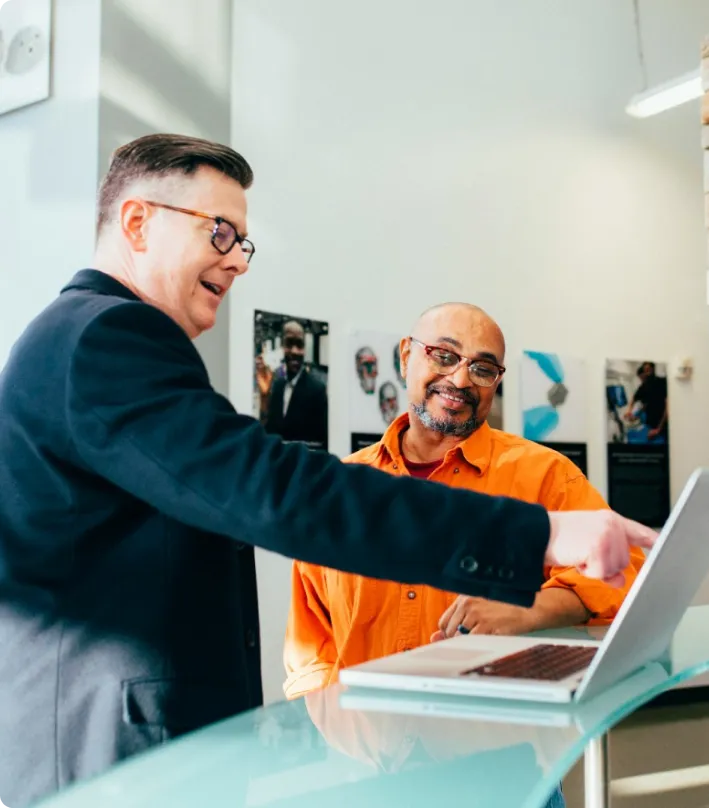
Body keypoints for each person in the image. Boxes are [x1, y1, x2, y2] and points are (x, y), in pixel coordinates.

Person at [0, 134, 654, 807]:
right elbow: (276, 494)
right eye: (220, 233)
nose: (236, 261)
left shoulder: (90, 339)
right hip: (112, 758)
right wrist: (536, 536)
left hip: (486, 761)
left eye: (241, 243)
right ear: (137, 221)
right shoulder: (108, 338)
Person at [283, 303, 646, 699]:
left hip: (494, 739)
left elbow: (626, 574)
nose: (460, 379)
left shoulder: (546, 475)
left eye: (483, 369)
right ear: (406, 357)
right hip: (365, 745)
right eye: (444, 355)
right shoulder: (343, 488)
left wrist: (529, 608)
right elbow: (310, 646)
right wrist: (331, 731)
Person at [259, 320, 328, 450]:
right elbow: (268, 433)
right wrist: (264, 397)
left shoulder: (317, 390)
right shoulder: (277, 386)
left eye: (299, 345)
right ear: (282, 346)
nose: (294, 351)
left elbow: (321, 444)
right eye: (289, 343)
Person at [625, 361, 668, 442]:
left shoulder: (662, 382)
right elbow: (636, 399)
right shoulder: (644, 386)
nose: (647, 373)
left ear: (653, 369)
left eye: (649, 370)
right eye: (645, 370)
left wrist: (658, 429)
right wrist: (629, 411)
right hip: (650, 425)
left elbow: (667, 408)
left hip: (662, 426)